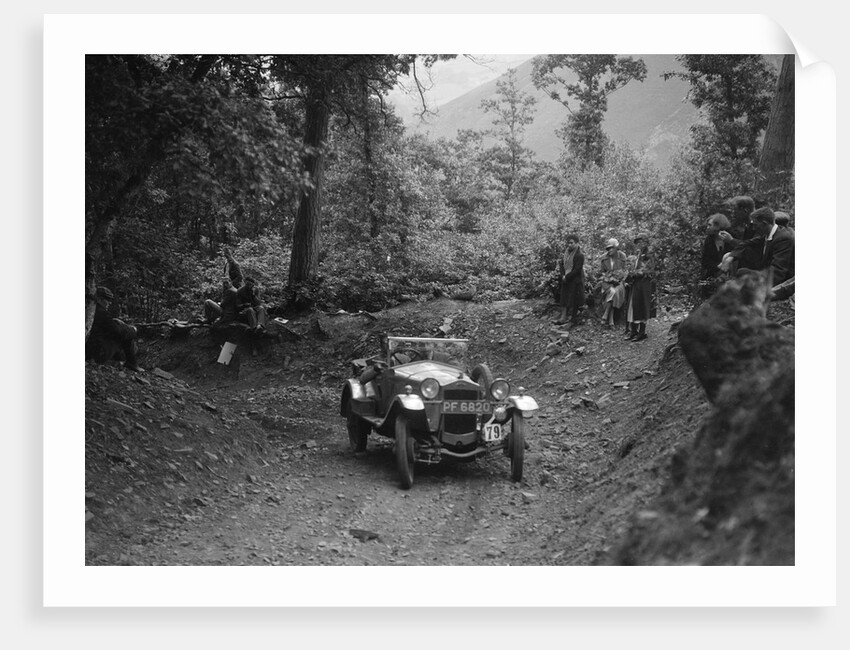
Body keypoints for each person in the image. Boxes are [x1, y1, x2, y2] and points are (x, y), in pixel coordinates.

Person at [719, 206, 794, 287]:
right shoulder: (768, 234)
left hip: (781, 282)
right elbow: (745, 244)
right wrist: (730, 258)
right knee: (741, 272)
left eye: (756, 225)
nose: (754, 229)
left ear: (764, 223)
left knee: (741, 274)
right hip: (767, 275)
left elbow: (778, 272)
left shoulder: (783, 238)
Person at [86, 286, 140, 371]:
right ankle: (131, 363)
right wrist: (132, 329)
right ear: (99, 299)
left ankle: (120, 362)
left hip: (90, 348)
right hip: (96, 352)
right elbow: (117, 332)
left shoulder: (90, 310)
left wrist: (115, 323)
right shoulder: (100, 312)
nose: (109, 303)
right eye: (107, 299)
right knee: (126, 334)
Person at [624, 234, 655, 342]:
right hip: (637, 284)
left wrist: (639, 273)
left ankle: (642, 332)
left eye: (641, 242)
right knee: (633, 306)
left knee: (642, 306)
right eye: (637, 242)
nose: (639, 244)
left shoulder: (648, 253)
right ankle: (633, 331)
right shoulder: (639, 254)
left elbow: (650, 270)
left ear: (645, 242)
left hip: (644, 284)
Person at [699, 213, 734, 298]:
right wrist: (718, 266)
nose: (707, 227)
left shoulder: (731, 237)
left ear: (718, 226)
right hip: (712, 274)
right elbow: (705, 260)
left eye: (710, 225)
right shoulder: (708, 241)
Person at [555, 234, 586, 327]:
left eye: (571, 243)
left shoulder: (579, 255)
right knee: (564, 298)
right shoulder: (566, 253)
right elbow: (561, 265)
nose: (569, 245)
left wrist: (567, 277)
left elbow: (577, 269)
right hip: (566, 279)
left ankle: (573, 319)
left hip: (575, 280)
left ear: (576, 243)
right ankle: (563, 317)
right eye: (568, 243)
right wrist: (563, 275)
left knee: (574, 299)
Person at [599, 238, 628, 328]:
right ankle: (610, 319)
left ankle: (606, 316)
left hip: (619, 282)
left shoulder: (622, 256)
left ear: (616, 248)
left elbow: (625, 271)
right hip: (607, 282)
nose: (610, 250)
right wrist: (607, 278)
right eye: (608, 249)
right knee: (612, 291)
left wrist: (619, 278)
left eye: (612, 248)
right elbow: (601, 272)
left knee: (614, 292)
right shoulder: (604, 258)